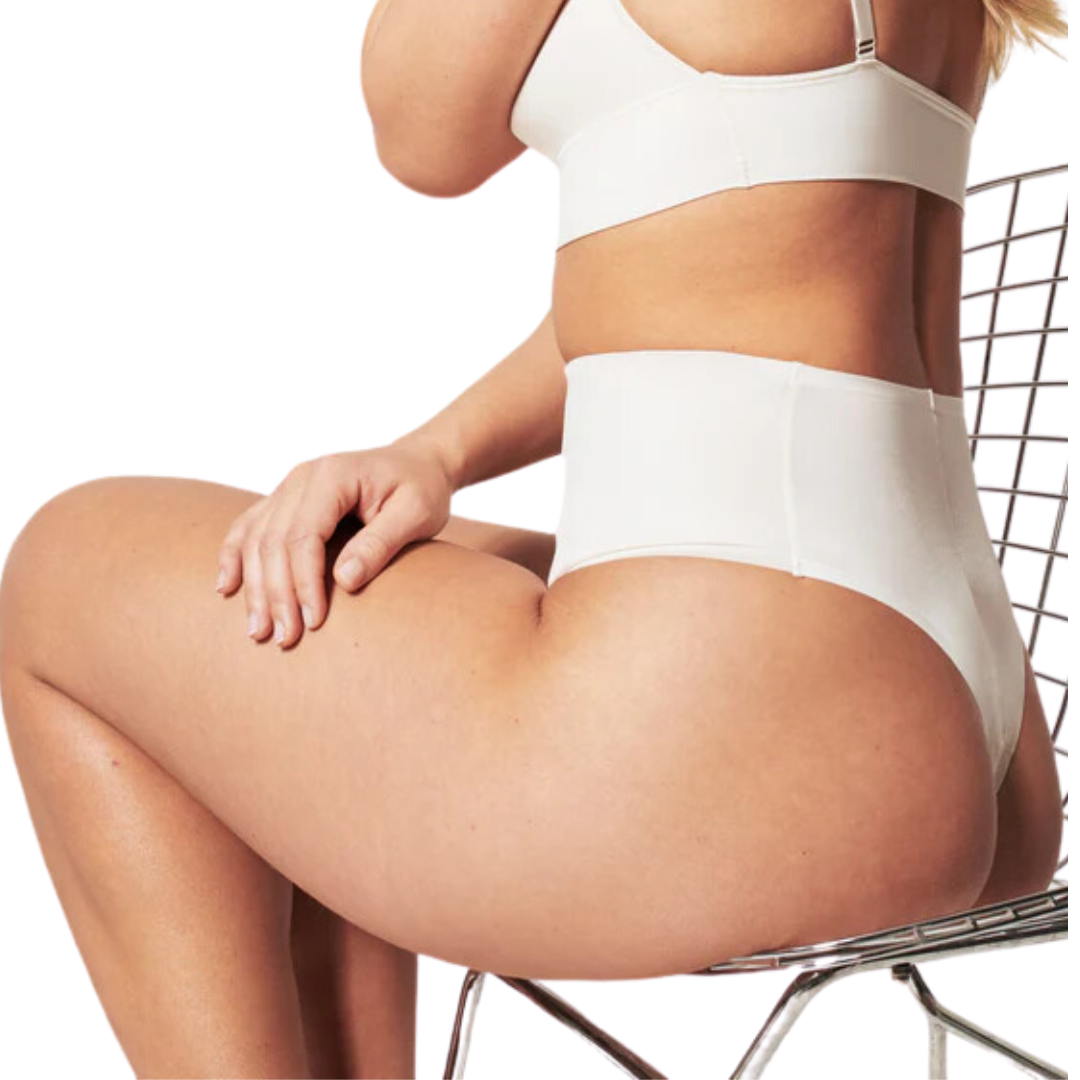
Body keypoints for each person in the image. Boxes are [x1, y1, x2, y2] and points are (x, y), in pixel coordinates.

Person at [0, 1, 1067, 1077]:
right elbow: (738, 258)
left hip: (754, 720)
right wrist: (436, 452)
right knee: (324, 574)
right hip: (965, 738)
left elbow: (418, 126)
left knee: (66, 573)